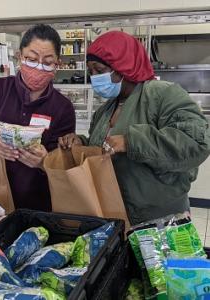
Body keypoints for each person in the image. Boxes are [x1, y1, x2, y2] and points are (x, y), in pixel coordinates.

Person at [59, 31, 210, 225]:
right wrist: (81, 143)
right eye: (92, 72)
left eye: (99, 70)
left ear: (123, 66)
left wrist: (132, 141)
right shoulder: (105, 109)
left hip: (161, 220)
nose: (94, 78)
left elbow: (196, 142)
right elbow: (104, 147)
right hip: (115, 214)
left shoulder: (161, 94)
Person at [0, 24, 75, 212]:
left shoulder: (62, 107)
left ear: (58, 64)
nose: (39, 67)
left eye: (47, 62)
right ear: (20, 57)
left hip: (38, 204)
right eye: (31, 59)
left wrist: (45, 162)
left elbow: (64, 163)